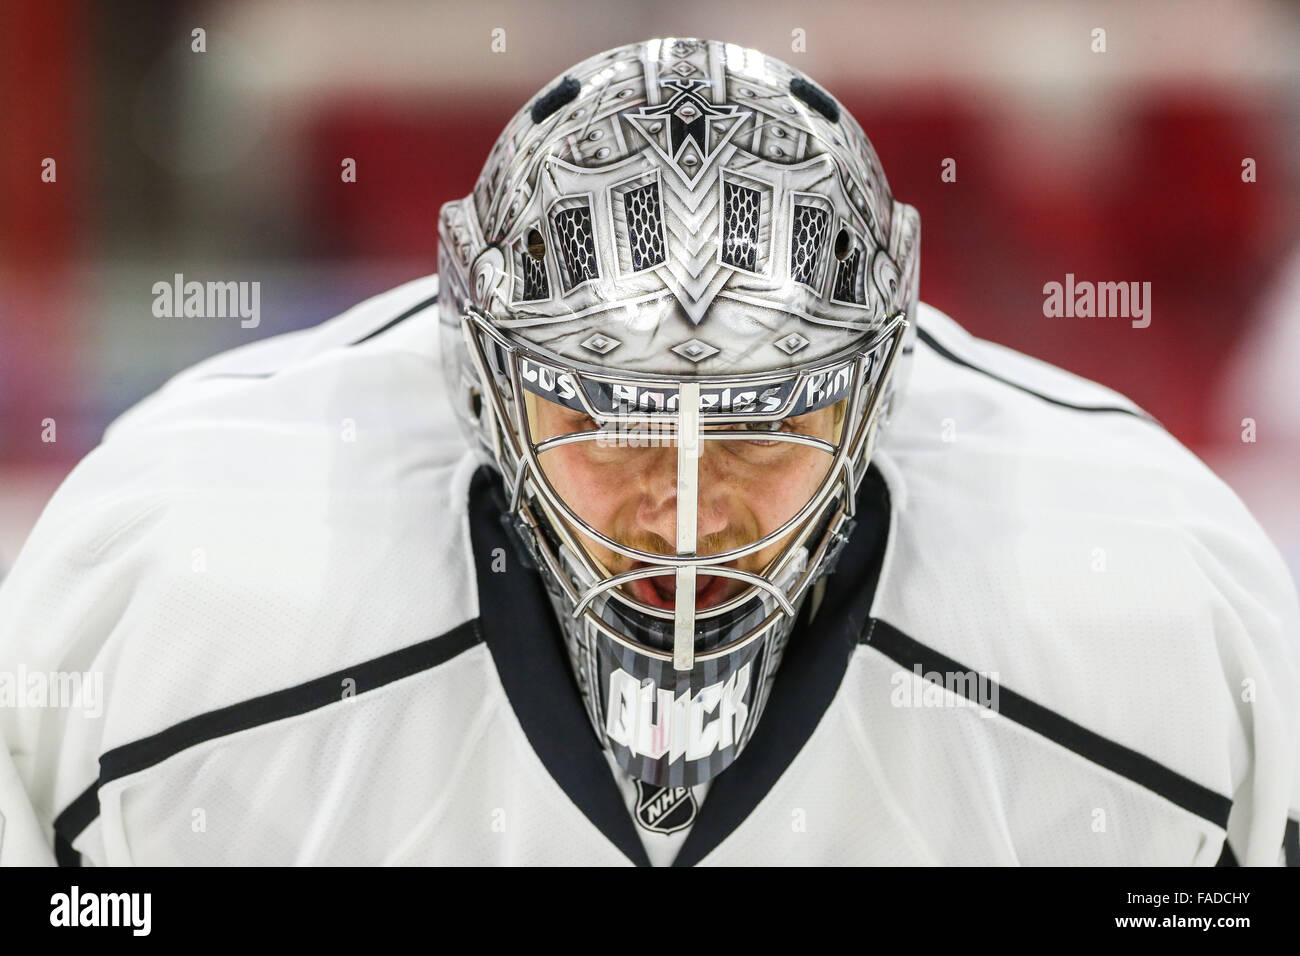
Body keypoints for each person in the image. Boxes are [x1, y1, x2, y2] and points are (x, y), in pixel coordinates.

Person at [0, 38, 1296, 867]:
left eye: (764, 424)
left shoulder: (1157, 620)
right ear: (482, 382)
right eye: (609, 421)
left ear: (878, 386)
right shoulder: (178, 583)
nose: (681, 514)